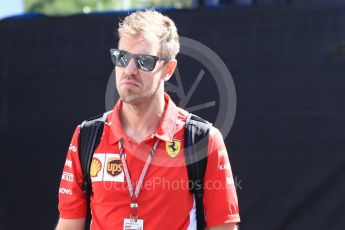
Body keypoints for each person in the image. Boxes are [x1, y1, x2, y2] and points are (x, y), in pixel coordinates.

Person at [56, 9, 240, 230]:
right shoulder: (87, 136)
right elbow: (69, 224)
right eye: (122, 57)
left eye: (144, 61)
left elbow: (223, 226)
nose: (130, 70)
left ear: (168, 69)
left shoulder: (202, 138)